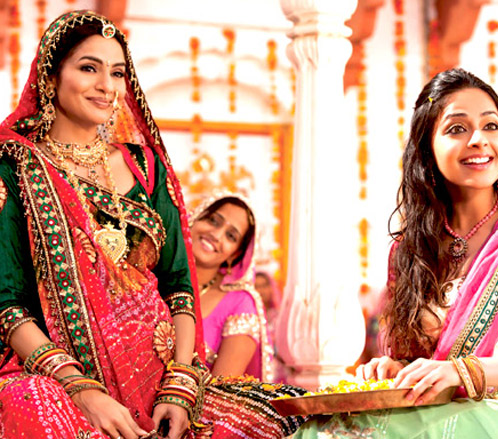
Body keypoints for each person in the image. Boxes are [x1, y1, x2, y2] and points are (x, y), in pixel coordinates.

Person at [0, 10, 305, 439]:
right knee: (31, 403)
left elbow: (178, 283)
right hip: (60, 378)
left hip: (162, 376)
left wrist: (180, 385)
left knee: (294, 413)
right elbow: (7, 304)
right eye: (89, 68)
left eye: (117, 73)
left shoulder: (145, 167)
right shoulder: (17, 168)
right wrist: (82, 391)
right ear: (50, 78)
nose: (107, 86)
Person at [294, 68, 498, 438]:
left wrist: (464, 371)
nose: (478, 140)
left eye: (491, 126)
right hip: (445, 408)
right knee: (318, 431)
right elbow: (419, 361)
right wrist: (394, 368)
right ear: (427, 149)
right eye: (457, 128)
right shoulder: (410, 251)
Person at [189, 192, 273, 381]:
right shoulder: (153, 273)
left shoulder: (240, 303)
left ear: (235, 254)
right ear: (194, 218)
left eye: (231, 236)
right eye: (213, 221)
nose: (216, 235)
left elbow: (221, 390)